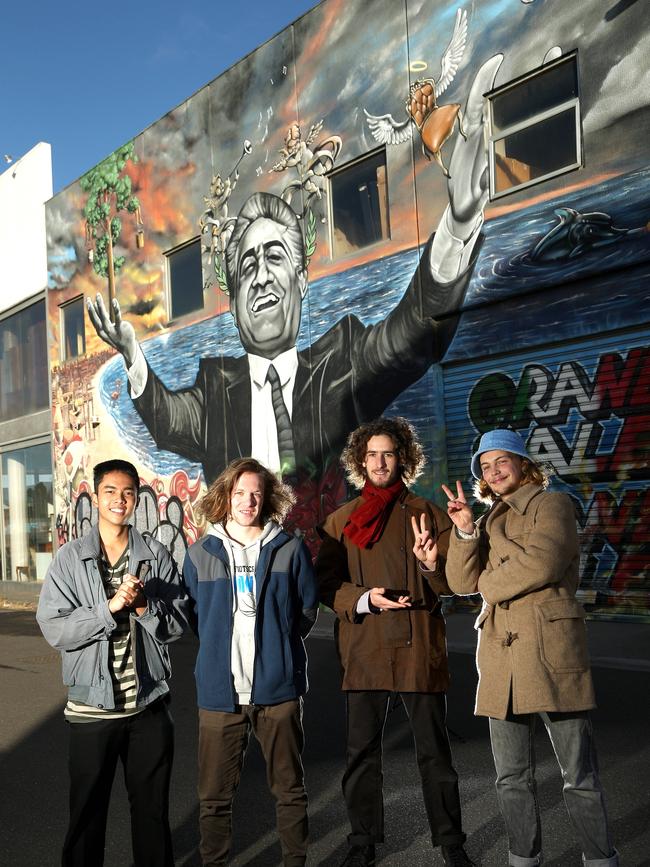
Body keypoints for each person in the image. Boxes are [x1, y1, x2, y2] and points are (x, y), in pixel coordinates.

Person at [86, 56, 503, 486]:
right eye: (247, 265)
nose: (261, 275)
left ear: (301, 280)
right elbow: (166, 420)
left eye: (274, 257)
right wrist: (133, 355)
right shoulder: (214, 395)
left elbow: (411, 334)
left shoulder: (344, 361)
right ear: (233, 305)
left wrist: (459, 219)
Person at [443, 428, 618, 867]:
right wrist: (464, 533)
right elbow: (460, 583)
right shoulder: (483, 522)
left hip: (549, 651)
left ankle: (599, 859)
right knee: (511, 777)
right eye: (485, 466)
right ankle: (523, 858)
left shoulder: (552, 504)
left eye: (501, 461)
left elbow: (542, 562)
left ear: (523, 463)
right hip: (501, 656)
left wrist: (488, 584)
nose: (493, 471)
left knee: (578, 774)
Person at [316, 417, 475, 867]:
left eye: (388, 453)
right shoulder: (340, 521)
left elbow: (454, 585)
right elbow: (326, 584)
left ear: (402, 458)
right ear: (359, 462)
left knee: (434, 752)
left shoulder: (428, 513)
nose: (380, 462)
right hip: (364, 646)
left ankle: (452, 844)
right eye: (372, 454)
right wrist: (364, 598)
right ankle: (362, 843)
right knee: (361, 755)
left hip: (418, 645)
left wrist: (428, 567)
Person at [36, 459, 186, 867]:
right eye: (111, 492)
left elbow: (177, 625)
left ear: (136, 498)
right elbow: (55, 628)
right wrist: (109, 609)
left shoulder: (155, 554)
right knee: (86, 820)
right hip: (91, 712)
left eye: (128, 493)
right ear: (96, 496)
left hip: (149, 707)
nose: (119, 500)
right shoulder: (69, 559)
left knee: (152, 818)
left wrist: (142, 606)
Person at [182, 457, 319, 866]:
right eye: (239, 492)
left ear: (268, 498)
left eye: (256, 493)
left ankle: (296, 861)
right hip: (219, 694)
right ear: (226, 496)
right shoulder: (199, 554)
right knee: (213, 799)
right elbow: (196, 618)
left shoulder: (290, 549)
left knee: (289, 790)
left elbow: (306, 612)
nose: (248, 501)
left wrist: (278, 649)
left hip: (276, 691)